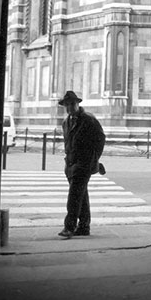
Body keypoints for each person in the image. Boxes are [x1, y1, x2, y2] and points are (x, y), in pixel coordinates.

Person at [57, 90, 106, 239]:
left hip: (84, 164)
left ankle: (69, 227)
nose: (69, 107)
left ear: (78, 104)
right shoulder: (66, 122)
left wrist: (93, 158)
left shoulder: (88, 119)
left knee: (74, 196)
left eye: (72, 104)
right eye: (67, 105)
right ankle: (84, 226)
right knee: (81, 195)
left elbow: (100, 139)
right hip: (71, 163)